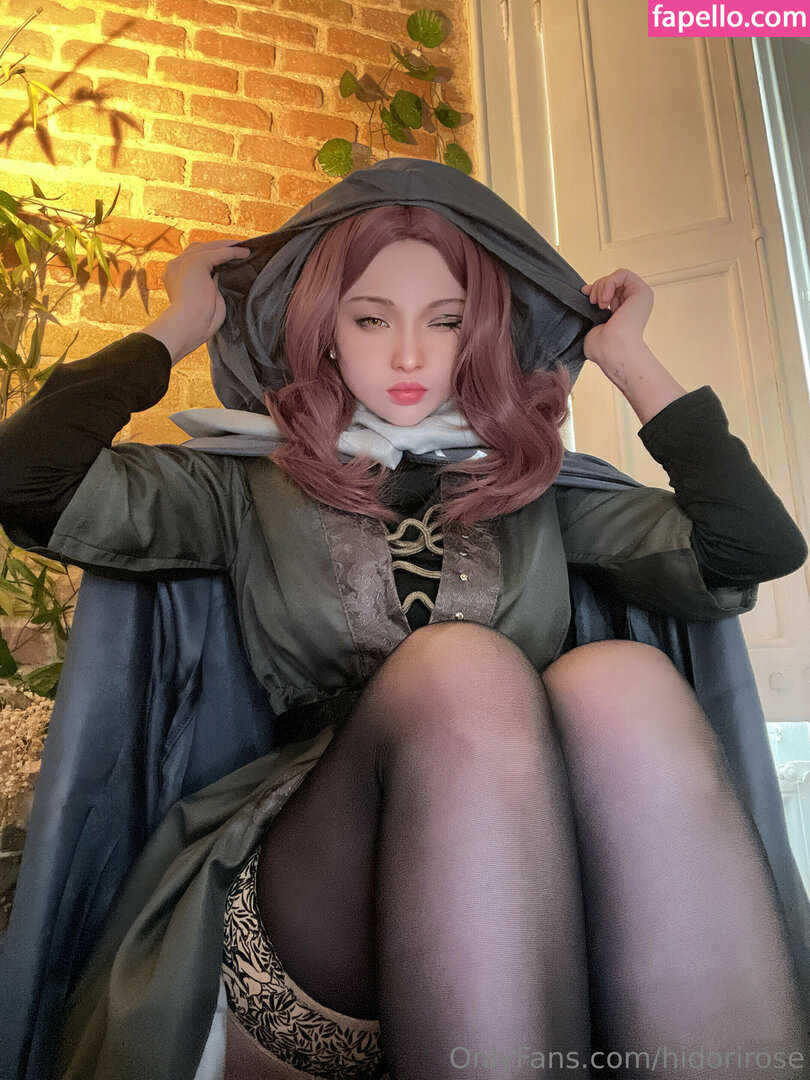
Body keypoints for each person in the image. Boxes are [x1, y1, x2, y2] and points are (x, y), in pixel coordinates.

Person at [0, 158, 808, 1080]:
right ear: (326, 333)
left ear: (483, 335)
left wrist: (624, 357)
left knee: (620, 679)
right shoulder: (241, 484)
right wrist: (182, 323)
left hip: (529, 876)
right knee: (461, 672)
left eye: (447, 320)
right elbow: (27, 480)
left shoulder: (536, 493)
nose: (412, 356)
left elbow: (751, 547)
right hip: (312, 877)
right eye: (372, 319)